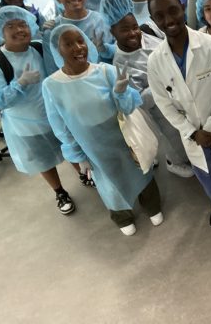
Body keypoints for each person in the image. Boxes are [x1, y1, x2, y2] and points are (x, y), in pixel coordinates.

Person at [42, 24, 163, 235]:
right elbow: (59, 124)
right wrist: (77, 155)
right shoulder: (52, 85)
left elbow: (129, 107)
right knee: (108, 181)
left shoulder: (105, 71)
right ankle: (122, 216)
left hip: (122, 136)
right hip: (92, 145)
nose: (78, 48)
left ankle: (152, 205)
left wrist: (121, 93)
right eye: (68, 44)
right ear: (57, 50)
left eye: (80, 41)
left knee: (139, 170)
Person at [147, 0, 211, 228]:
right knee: (205, 172)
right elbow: (163, 102)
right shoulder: (155, 61)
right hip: (192, 134)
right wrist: (191, 131)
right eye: (159, 16)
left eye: (173, 11)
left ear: (182, 8)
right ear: (153, 20)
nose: (168, 20)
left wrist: (208, 128)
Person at [0, 6, 76, 215]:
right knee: (44, 160)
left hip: (55, 115)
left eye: (23, 24)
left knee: (71, 147)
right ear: (1, 31)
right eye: (11, 26)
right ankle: (60, 192)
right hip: (27, 123)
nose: (19, 29)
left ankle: (84, 176)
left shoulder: (38, 48)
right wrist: (20, 84)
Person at [99, 0, 193, 178]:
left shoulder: (149, 30)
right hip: (160, 112)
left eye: (134, 27)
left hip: (182, 95)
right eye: (124, 30)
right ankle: (174, 162)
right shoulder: (120, 64)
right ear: (112, 32)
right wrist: (164, 84)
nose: (133, 33)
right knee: (175, 141)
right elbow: (140, 101)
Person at [43, 0, 115, 74]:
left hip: (107, 79)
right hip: (75, 85)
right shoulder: (53, 30)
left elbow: (118, 52)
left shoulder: (102, 20)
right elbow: (52, 71)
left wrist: (104, 49)